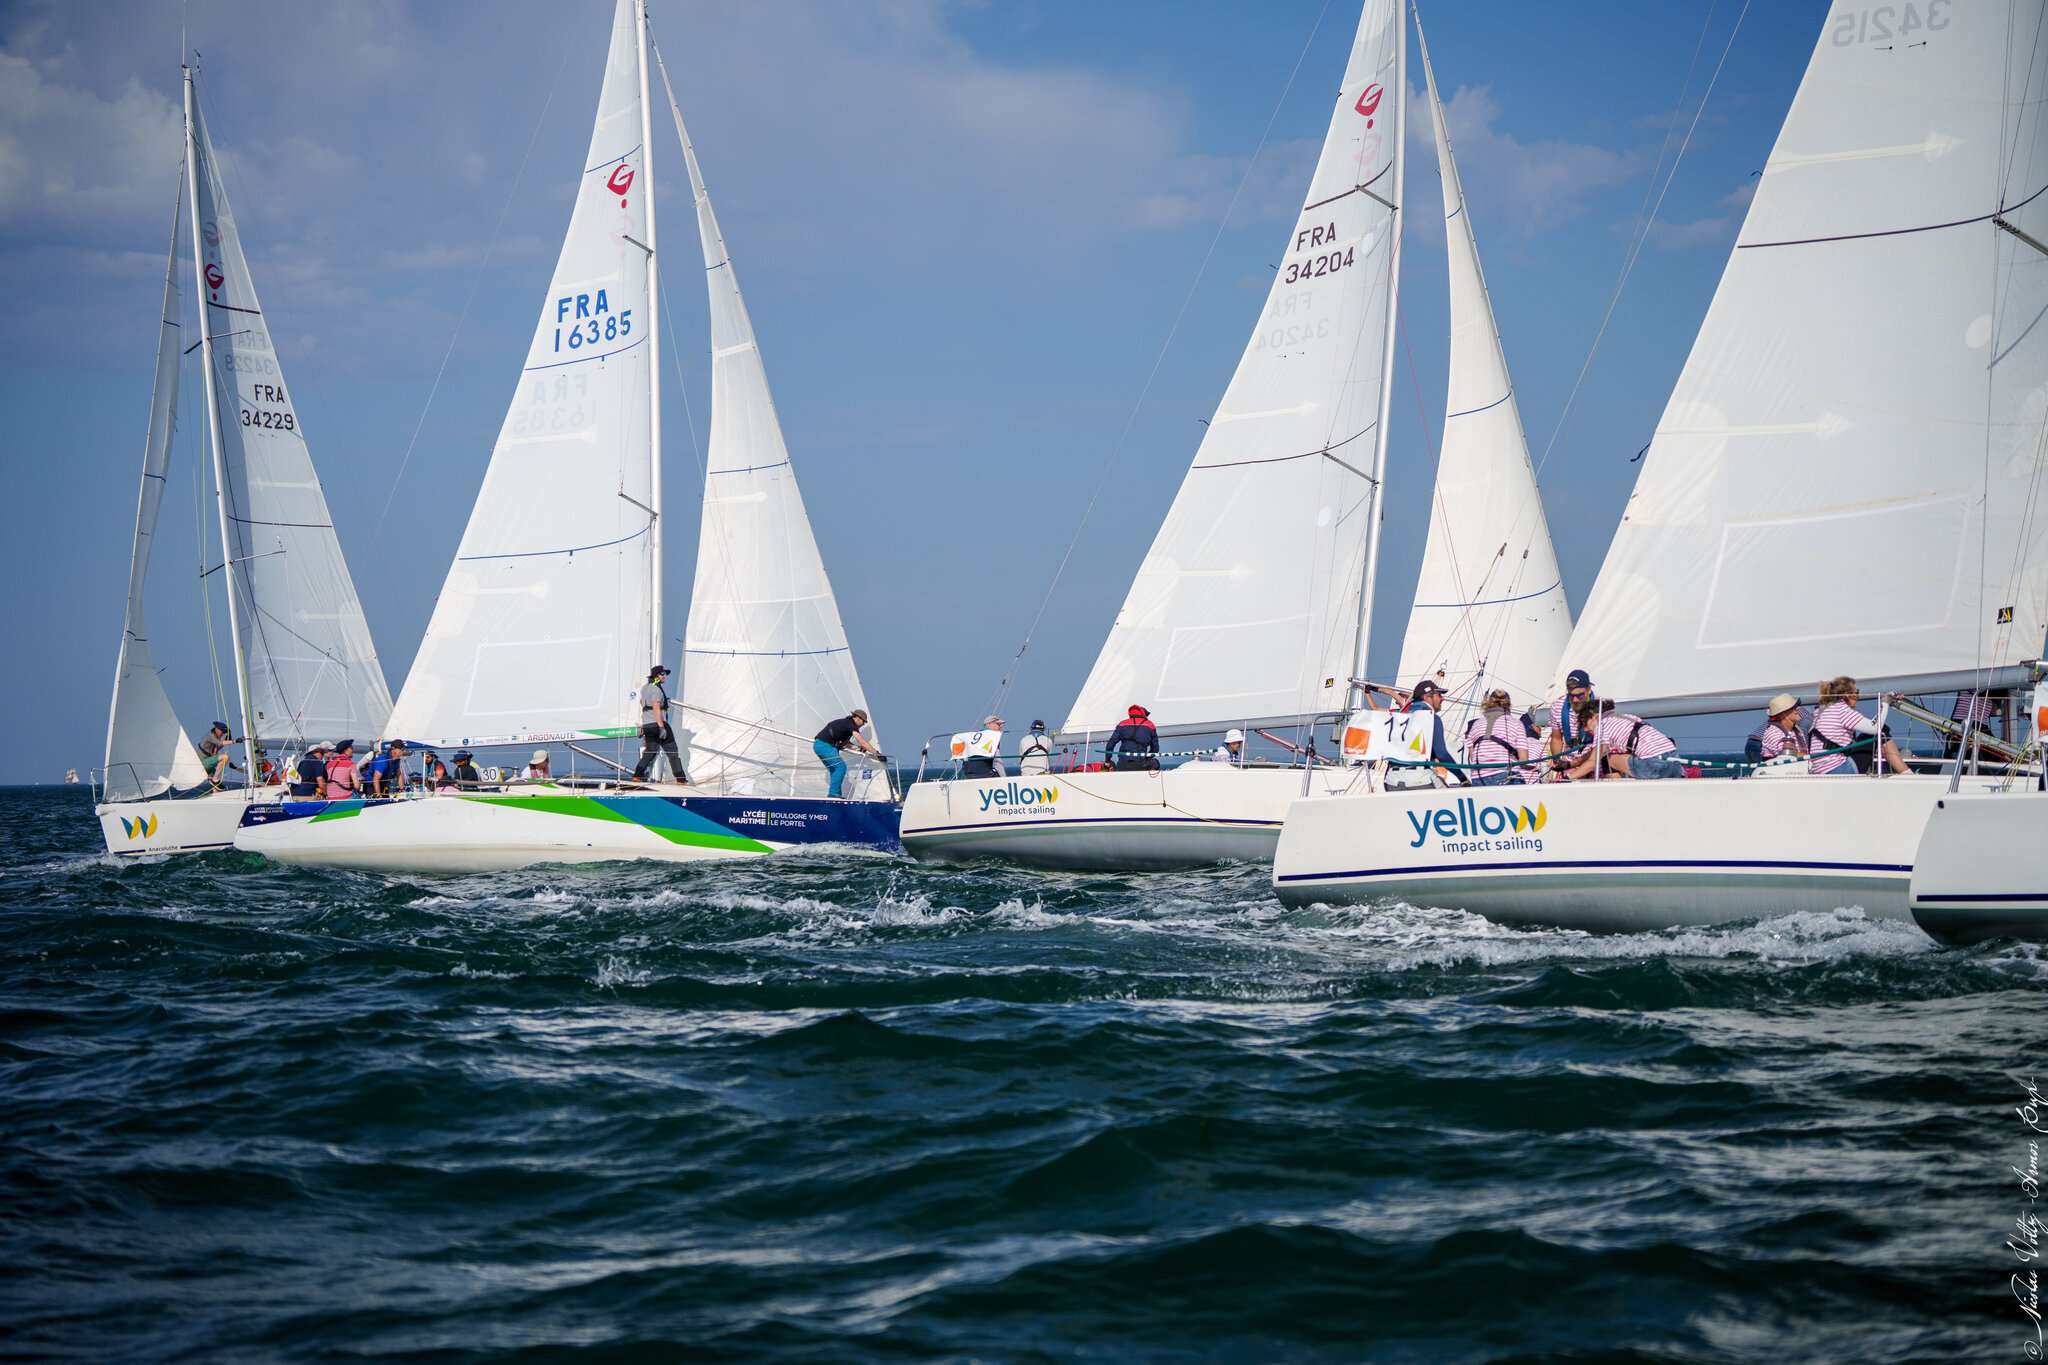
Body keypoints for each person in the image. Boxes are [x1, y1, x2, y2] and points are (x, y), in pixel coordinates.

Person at [1809, 677, 1911, 775]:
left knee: (1865, 737)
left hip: (1819, 771)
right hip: (1838, 770)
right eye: (1856, 692)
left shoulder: (1821, 710)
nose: (1858, 696)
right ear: (1847, 695)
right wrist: (1885, 702)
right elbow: (1875, 728)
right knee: (1881, 731)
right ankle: (1907, 774)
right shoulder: (1841, 710)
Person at [1564, 699, 1685, 779]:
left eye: (1585, 723)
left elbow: (1592, 762)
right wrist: (1570, 764)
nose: (1585, 729)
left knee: (1606, 760)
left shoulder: (1602, 727)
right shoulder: (1629, 717)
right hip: (1676, 763)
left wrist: (1568, 778)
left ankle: (1621, 794)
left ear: (1596, 717)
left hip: (1653, 766)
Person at [1386, 680, 1467, 789]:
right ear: (1427, 697)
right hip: (1420, 777)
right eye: (1439, 695)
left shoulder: (1398, 716)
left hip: (1391, 779)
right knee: (1451, 797)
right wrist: (1462, 778)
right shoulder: (1431, 718)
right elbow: (1441, 754)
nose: (1442, 698)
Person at [1464, 689, 1538, 786]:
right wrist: (1530, 768)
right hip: (1505, 776)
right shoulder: (1515, 723)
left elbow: (1473, 757)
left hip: (1478, 779)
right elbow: (1523, 760)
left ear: (1488, 704)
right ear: (1509, 706)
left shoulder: (1476, 724)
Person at [632, 665, 687, 783]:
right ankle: (681, 779)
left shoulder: (645, 688)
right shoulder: (656, 689)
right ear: (656, 676)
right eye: (662, 674)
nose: (665, 676)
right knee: (672, 751)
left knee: (650, 751)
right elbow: (656, 708)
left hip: (647, 725)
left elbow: (642, 702)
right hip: (658, 724)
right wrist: (662, 728)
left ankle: (637, 775)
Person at [815, 709, 884, 796]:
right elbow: (862, 742)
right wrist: (877, 754)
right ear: (858, 718)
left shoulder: (846, 724)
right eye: (863, 722)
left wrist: (859, 748)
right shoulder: (851, 725)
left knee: (835, 770)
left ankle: (836, 795)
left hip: (820, 745)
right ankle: (833, 795)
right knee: (841, 767)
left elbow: (848, 744)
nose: (863, 724)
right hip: (825, 746)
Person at [1546, 670, 1596, 778]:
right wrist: (1557, 761)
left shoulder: (1600, 706)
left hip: (1595, 762)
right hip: (1570, 764)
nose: (1575, 699)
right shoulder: (1557, 706)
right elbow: (1557, 738)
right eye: (1571, 695)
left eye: (1580, 695)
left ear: (1589, 689)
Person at [1105, 704, 1160, 772]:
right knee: (1155, 763)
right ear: (1144, 715)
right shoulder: (1150, 725)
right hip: (1140, 764)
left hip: (1122, 765)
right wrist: (1146, 757)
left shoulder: (1122, 723)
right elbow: (1155, 750)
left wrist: (1107, 760)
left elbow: (1110, 744)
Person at [1757, 694, 1807, 762]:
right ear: (1781, 714)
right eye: (1793, 707)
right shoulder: (1772, 733)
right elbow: (1788, 755)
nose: (1798, 708)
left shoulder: (1797, 731)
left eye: (1797, 706)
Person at [196, 721, 237, 788]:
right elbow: (220, 743)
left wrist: (227, 740)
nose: (223, 734)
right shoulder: (210, 736)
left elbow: (217, 749)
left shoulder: (215, 737)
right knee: (225, 757)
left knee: (216, 786)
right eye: (222, 732)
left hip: (209, 764)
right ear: (216, 729)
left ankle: (215, 783)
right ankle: (215, 778)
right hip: (202, 764)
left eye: (224, 733)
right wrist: (235, 741)